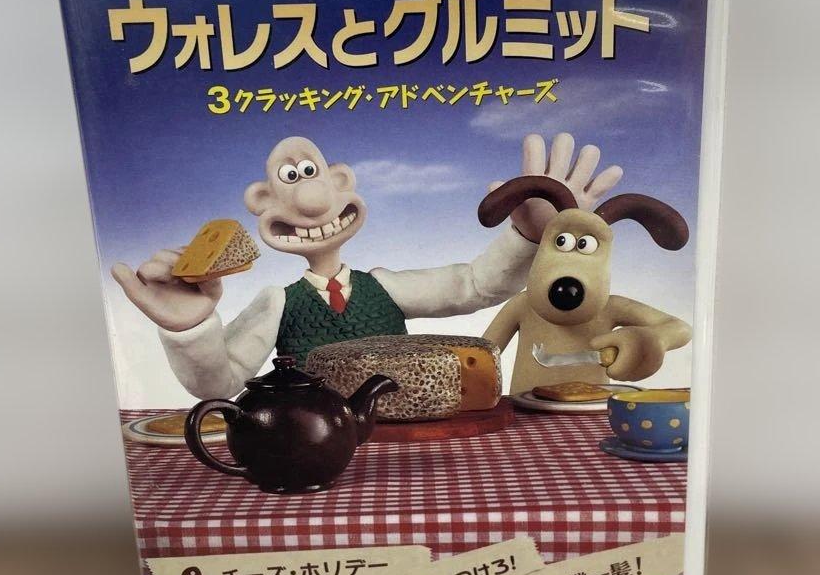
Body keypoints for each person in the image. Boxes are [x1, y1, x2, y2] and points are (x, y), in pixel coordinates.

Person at [112, 132, 623, 400]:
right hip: (318, 440)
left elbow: (475, 286)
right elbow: (221, 383)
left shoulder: (384, 288)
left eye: (312, 176)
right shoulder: (278, 303)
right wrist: (192, 331)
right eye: (291, 181)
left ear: (340, 183)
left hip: (407, 435)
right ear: (263, 202)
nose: (310, 202)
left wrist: (529, 237)